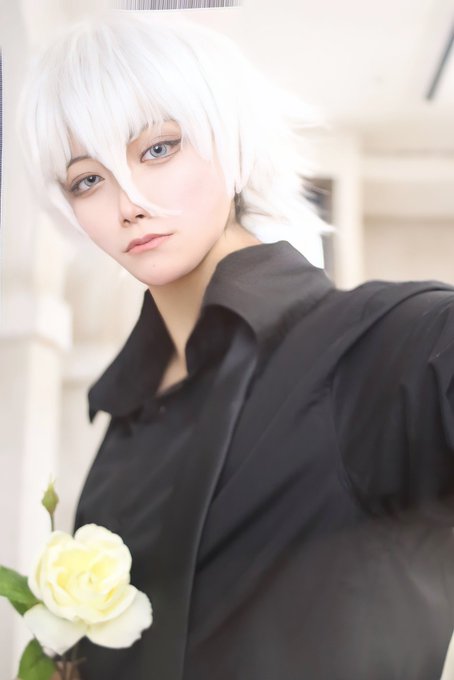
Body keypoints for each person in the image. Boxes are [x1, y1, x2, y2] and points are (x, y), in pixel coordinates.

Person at [17, 10, 454, 680]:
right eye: (88, 179)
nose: (128, 202)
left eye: (157, 149)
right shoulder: (121, 425)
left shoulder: (379, 346)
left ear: (230, 140)